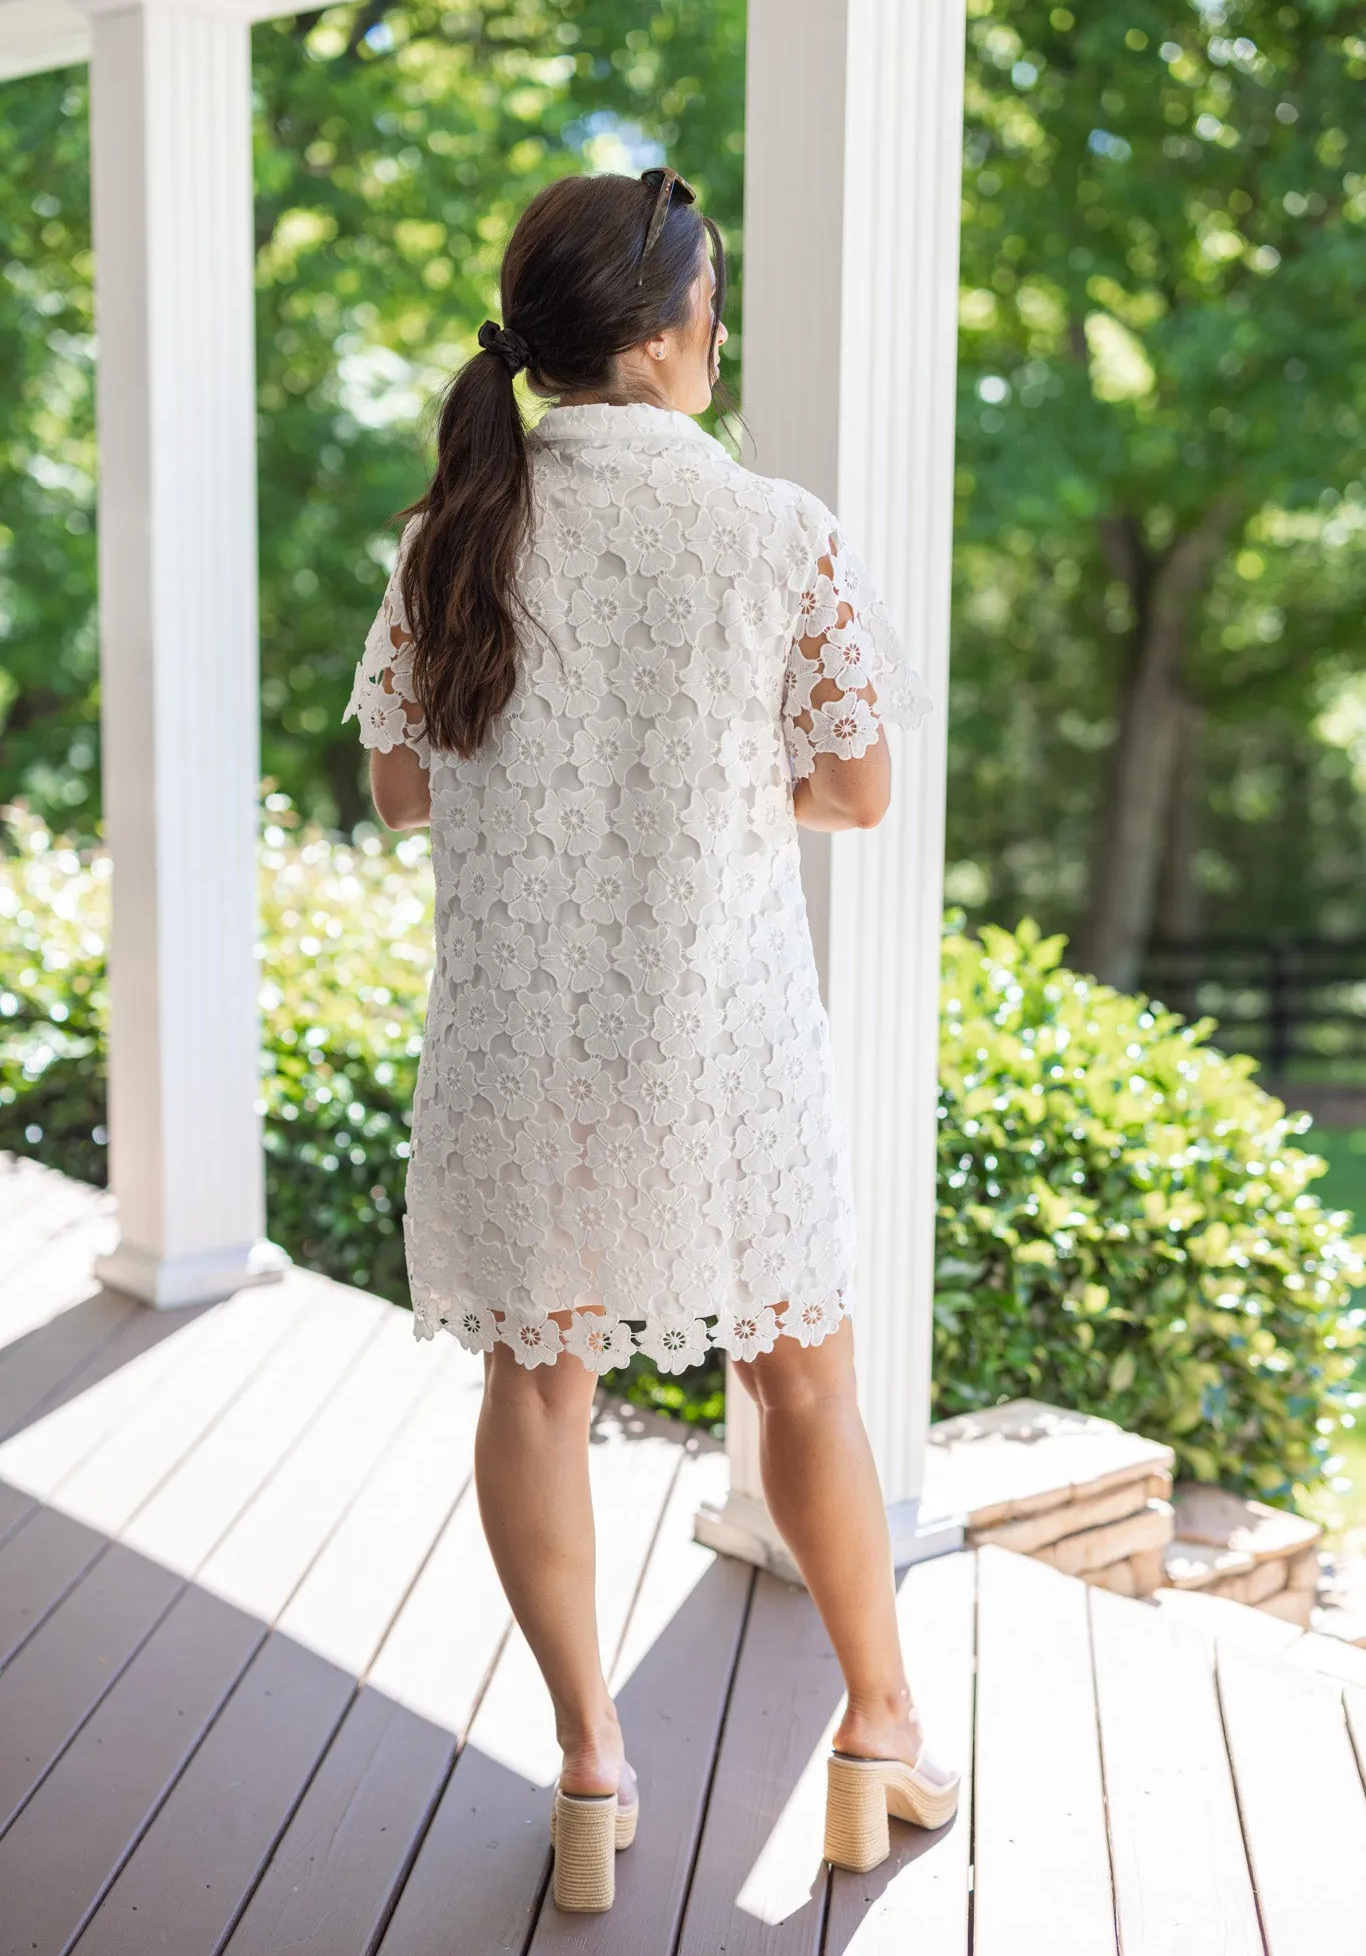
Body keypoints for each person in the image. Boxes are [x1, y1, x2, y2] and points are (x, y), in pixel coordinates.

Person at [344, 166, 960, 1912]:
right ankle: (878, 1732)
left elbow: (398, 783)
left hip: (514, 1047)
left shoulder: (451, 531)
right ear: (671, 330)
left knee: (537, 1388)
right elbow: (853, 786)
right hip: (719, 1045)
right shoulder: (776, 527)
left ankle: (592, 1766)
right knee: (803, 1379)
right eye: (716, 303)